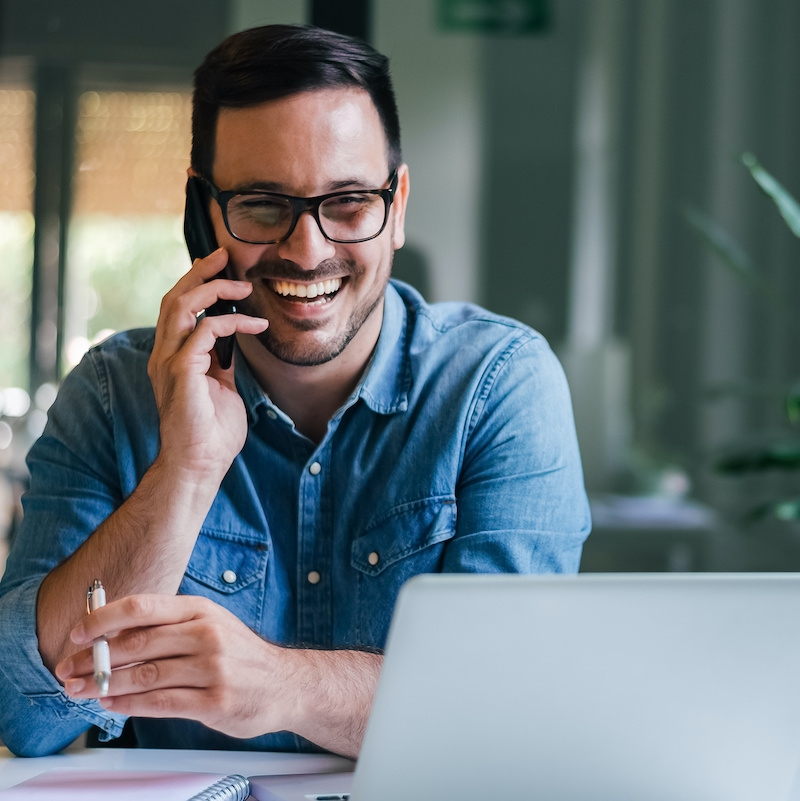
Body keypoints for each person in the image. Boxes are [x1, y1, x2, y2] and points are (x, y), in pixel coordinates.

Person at [0, 24, 590, 758]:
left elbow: (511, 709)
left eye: (346, 202)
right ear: (202, 214)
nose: (307, 250)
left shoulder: (499, 384)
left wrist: (277, 684)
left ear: (397, 205)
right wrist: (185, 472)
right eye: (261, 204)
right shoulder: (114, 393)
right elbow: (23, 717)